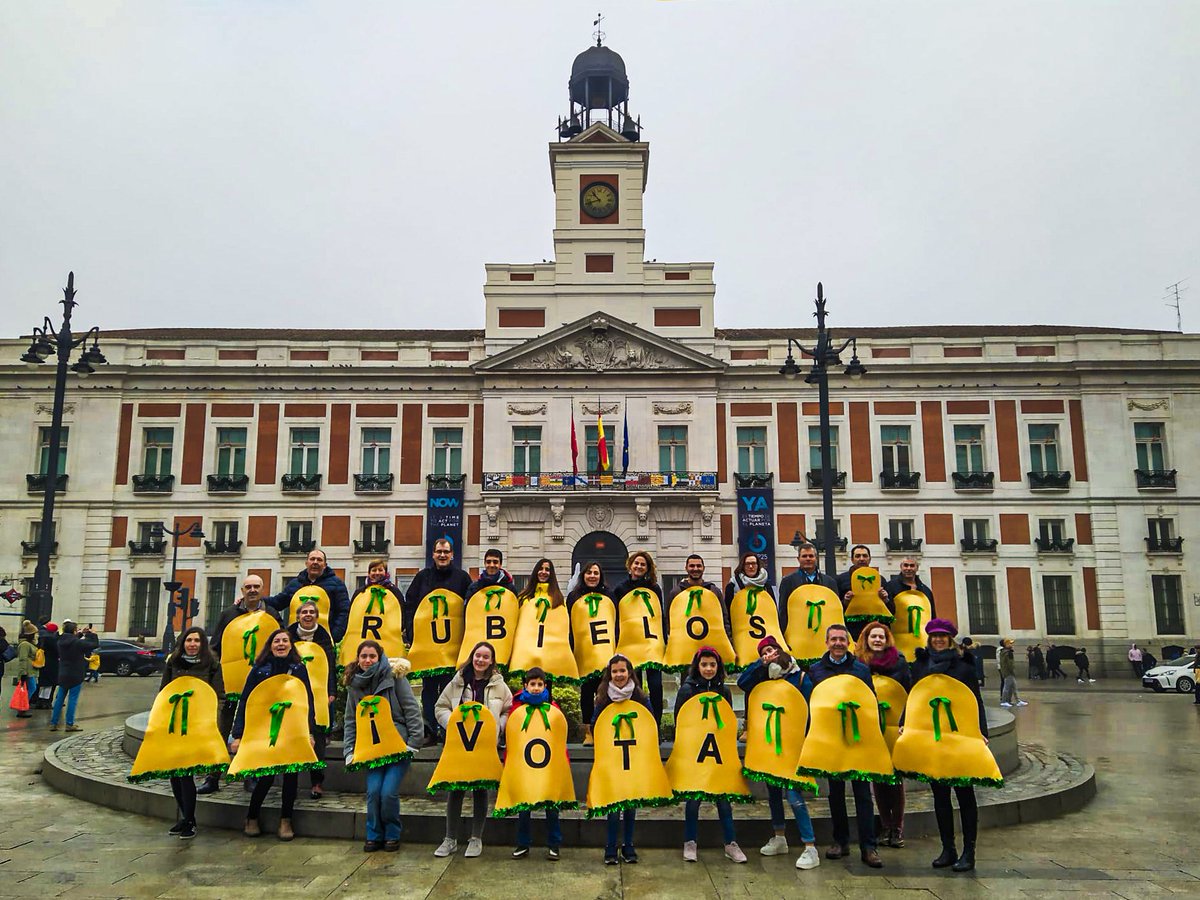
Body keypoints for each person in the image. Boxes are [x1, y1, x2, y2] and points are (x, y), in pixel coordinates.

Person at [906, 618, 991, 872]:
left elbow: (976, 701)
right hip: (933, 737)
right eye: (935, 636)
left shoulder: (964, 667)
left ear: (950, 639)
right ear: (930, 639)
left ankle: (969, 851)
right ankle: (948, 848)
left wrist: (982, 732)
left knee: (965, 795)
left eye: (943, 636)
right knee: (940, 795)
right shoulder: (921, 665)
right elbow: (914, 696)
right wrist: (905, 722)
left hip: (959, 735)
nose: (939, 640)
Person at [736, 636, 820, 871]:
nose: (769, 654)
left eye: (772, 649)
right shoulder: (762, 677)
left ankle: (810, 846)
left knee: (794, 795)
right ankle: (779, 836)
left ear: (781, 651)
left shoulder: (800, 677)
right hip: (770, 745)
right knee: (773, 793)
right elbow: (743, 682)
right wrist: (760, 664)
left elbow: (809, 710)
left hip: (793, 745)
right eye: (764, 652)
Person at [807, 623, 883, 868]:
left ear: (848, 642)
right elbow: (811, 703)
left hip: (857, 738)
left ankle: (868, 846)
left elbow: (871, 700)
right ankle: (840, 841)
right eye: (834, 639)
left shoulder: (860, 669)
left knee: (862, 794)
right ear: (826, 642)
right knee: (836, 793)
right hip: (831, 739)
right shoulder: (816, 670)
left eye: (842, 639)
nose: (838, 643)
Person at [231, 628, 317, 840]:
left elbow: (308, 702)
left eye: (284, 641)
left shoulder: (299, 668)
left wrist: (310, 732)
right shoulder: (259, 669)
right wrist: (238, 733)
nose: (280, 644)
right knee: (266, 776)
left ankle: (285, 820)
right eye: (276, 641)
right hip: (265, 730)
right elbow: (245, 701)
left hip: (292, 731)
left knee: (291, 777)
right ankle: (251, 817)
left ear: (290, 645)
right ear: (270, 645)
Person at [201, 574, 282, 795]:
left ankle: (250, 774)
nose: (253, 590)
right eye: (249, 587)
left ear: (263, 589)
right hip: (231, 685)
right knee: (222, 729)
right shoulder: (228, 614)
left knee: (254, 731)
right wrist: (218, 678)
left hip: (259, 686)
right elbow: (215, 647)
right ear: (242, 590)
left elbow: (280, 645)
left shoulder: (272, 615)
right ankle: (213, 776)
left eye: (257, 586)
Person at [433, 641, 513, 858]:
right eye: (478, 655)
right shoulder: (458, 681)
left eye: (486, 657)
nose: (481, 660)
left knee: (480, 790)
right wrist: (453, 722)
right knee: (455, 790)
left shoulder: (499, 684)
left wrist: (498, 726)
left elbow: (507, 709)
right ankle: (450, 838)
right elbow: (440, 707)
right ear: (472, 656)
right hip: (460, 744)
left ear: (491, 661)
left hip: (485, 745)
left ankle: (476, 838)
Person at [343, 639, 423, 852]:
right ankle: (374, 834)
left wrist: (414, 742)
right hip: (371, 747)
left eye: (372, 656)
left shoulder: (395, 678)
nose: (368, 660)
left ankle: (392, 834)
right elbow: (351, 720)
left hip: (398, 745)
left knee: (388, 792)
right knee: (374, 791)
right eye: (364, 656)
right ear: (358, 659)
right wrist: (349, 750)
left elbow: (411, 710)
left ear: (379, 657)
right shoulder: (354, 685)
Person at [675, 646, 746, 864]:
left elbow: (727, 722)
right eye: (704, 664)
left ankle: (730, 843)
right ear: (697, 666)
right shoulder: (687, 690)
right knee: (693, 799)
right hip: (695, 752)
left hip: (718, 753)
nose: (708, 669)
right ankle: (690, 841)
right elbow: (680, 720)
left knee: (723, 800)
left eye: (712, 665)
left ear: (718, 667)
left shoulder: (723, 691)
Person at [158, 626, 225, 838]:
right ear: (183, 643)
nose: (193, 644)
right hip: (175, 722)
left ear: (202, 644)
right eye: (189, 640)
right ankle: (186, 817)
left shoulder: (212, 664)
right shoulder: (173, 662)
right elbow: (164, 691)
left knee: (186, 773)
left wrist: (210, 718)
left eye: (197, 640)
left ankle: (189, 820)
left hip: (197, 723)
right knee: (174, 774)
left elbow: (219, 696)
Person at [405, 539, 472, 744]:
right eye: (438, 552)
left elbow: (471, 607)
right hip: (428, 649)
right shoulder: (422, 577)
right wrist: (411, 633)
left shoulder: (462, 578)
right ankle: (430, 730)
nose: (442, 555)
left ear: (452, 554)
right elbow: (410, 606)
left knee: (452, 688)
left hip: (452, 647)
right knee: (428, 691)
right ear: (433, 554)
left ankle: (448, 730)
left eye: (446, 552)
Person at [591, 654, 655, 864]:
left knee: (630, 804)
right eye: (615, 671)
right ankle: (610, 847)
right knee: (613, 804)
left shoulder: (640, 698)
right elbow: (595, 726)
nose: (619, 675)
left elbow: (650, 724)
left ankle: (629, 846)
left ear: (630, 673)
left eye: (622, 671)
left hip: (634, 757)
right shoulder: (602, 697)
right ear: (610, 674)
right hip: (612, 758)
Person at [855, 622, 911, 849]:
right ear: (866, 639)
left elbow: (909, 693)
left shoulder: (899, 662)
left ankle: (897, 827)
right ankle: (885, 824)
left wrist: (906, 721)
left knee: (895, 779)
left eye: (881, 636)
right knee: (878, 778)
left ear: (887, 639)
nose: (877, 640)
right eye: (873, 637)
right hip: (872, 725)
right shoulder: (859, 663)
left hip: (894, 725)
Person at [509, 668, 565, 860]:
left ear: (545, 686)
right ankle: (523, 843)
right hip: (525, 763)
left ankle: (554, 844)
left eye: (540, 684)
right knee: (524, 806)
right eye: (532, 684)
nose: (536, 688)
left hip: (548, 763)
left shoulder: (553, 708)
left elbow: (559, 737)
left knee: (551, 805)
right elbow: (512, 735)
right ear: (525, 685)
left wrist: (562, 761)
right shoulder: (517, 708)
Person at [611, 551, 668, 727]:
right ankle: (637, 724)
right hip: (630, 645)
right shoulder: (620, 589)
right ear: (630, 565)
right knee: (634, 688)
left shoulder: (655, 588)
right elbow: (615, 617)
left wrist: (664, 639)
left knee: (656, 686)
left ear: (648, 568)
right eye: (636, 563)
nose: (639, 567)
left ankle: (655, 724)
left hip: (651, 644)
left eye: (643, 565)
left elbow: (659, 615)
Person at [288, 600, 336, 799]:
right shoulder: (287, 636)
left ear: (317, 616)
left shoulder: (324, 638)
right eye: (304, 612)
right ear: (298, 616)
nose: (308, 615)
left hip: (317, 693)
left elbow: (330, 666)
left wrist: (331, 691)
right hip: (292, 692)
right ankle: (290, 780)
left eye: (311, 612)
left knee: (318, 737)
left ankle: (317, 782)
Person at [566, 561, 614, 744]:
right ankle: (588, 731)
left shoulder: (609, 595)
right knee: (586, 692)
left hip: (604, 650)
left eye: (596, 573)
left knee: (605, 691)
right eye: (589, 573)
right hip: (584, 651)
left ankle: (604, 728)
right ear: (583, 576)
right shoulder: (573, 597)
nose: (592, 576)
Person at [265, 548, 351, 642]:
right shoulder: (295, 584)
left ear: (325, 565)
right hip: (296, 639)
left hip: (324, 640)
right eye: (312, 559)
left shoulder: (337, 584)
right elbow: (278, 603)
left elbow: (344, 611)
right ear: (306, 563)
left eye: (319, 560)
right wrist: (258, 600)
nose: (315, 562)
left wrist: (334, 636)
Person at [777, 541, 838, 635]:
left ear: (816, 558)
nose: (808, 559)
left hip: (824, 630)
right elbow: (783, 610)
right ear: (798, 559)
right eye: (804, 556)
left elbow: (835, 609)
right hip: (797, 630)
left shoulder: (829, 581)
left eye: (811, 556)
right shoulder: (788, 581)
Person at [49, 621, 98, 732]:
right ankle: (69, 724)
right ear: (74, 631)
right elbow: (94, 644)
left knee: (59, 699)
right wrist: (92, 634)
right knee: (72, 699)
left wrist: (80, 634)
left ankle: (53, 723)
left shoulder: (60, 641)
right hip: (76, 673)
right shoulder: (77, 643)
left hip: (63, 673)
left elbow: (70, 640)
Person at [13, 621, 39, 718]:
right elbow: (22, 659)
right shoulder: (25, 645)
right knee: (31, 688)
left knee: (30, 688)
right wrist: (23, 672)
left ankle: (23, 707)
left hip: (31, 670)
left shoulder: (28, 644)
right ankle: (22, 708)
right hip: (27, 671)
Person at [36, 621, 59, 709]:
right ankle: (46, 702)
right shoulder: (52, 639)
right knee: (49, 684)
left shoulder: (41, 637)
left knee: (42, 683)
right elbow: (57, 651)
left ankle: (39, 701)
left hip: (42, 662)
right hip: (51, 663)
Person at [998, 639, 1027, 707]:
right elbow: (1009, 664)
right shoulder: (1008, 653)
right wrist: (1012, 671)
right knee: (1007, 687)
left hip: (1007, 672)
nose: (1011, 645)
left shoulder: (1003, 652)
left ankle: (1018, 700)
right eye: (1010, 644)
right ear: (1006, 644)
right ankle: (1004, 701)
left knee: (1014, 687)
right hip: (1008, 672)